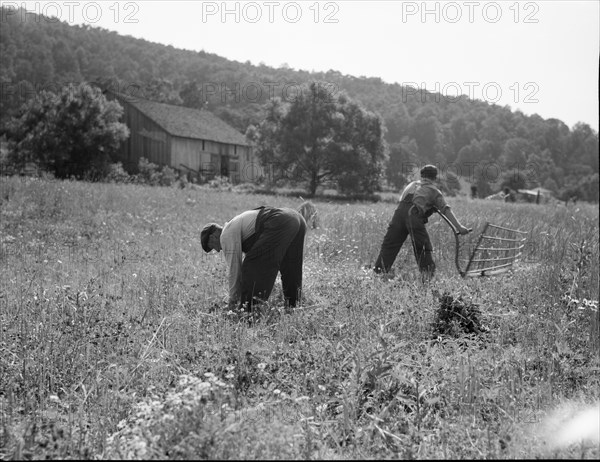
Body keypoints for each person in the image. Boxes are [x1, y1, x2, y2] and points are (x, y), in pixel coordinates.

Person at [373, 164, 470, 282]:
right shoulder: (434, 190)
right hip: (413, 216)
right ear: (435, 178)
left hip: (398, 214)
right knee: (422, 247)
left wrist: (427, 207)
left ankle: (378, 274)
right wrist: (459, 227)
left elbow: (405, 200)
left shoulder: (411, 185)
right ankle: (427, 277)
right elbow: (445, 209)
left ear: (422, 175)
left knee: (390, 244)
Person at [201, 206, 307, 312]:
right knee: (290, 266)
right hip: (295, 218)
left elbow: (235, 269)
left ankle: (250, 311)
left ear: (212, 237)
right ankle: (293, 305)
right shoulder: (235, 224)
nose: (218, 250)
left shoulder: (225, 235)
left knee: (251, 265)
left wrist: (233, 300)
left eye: (212, 247)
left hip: (280, 220)